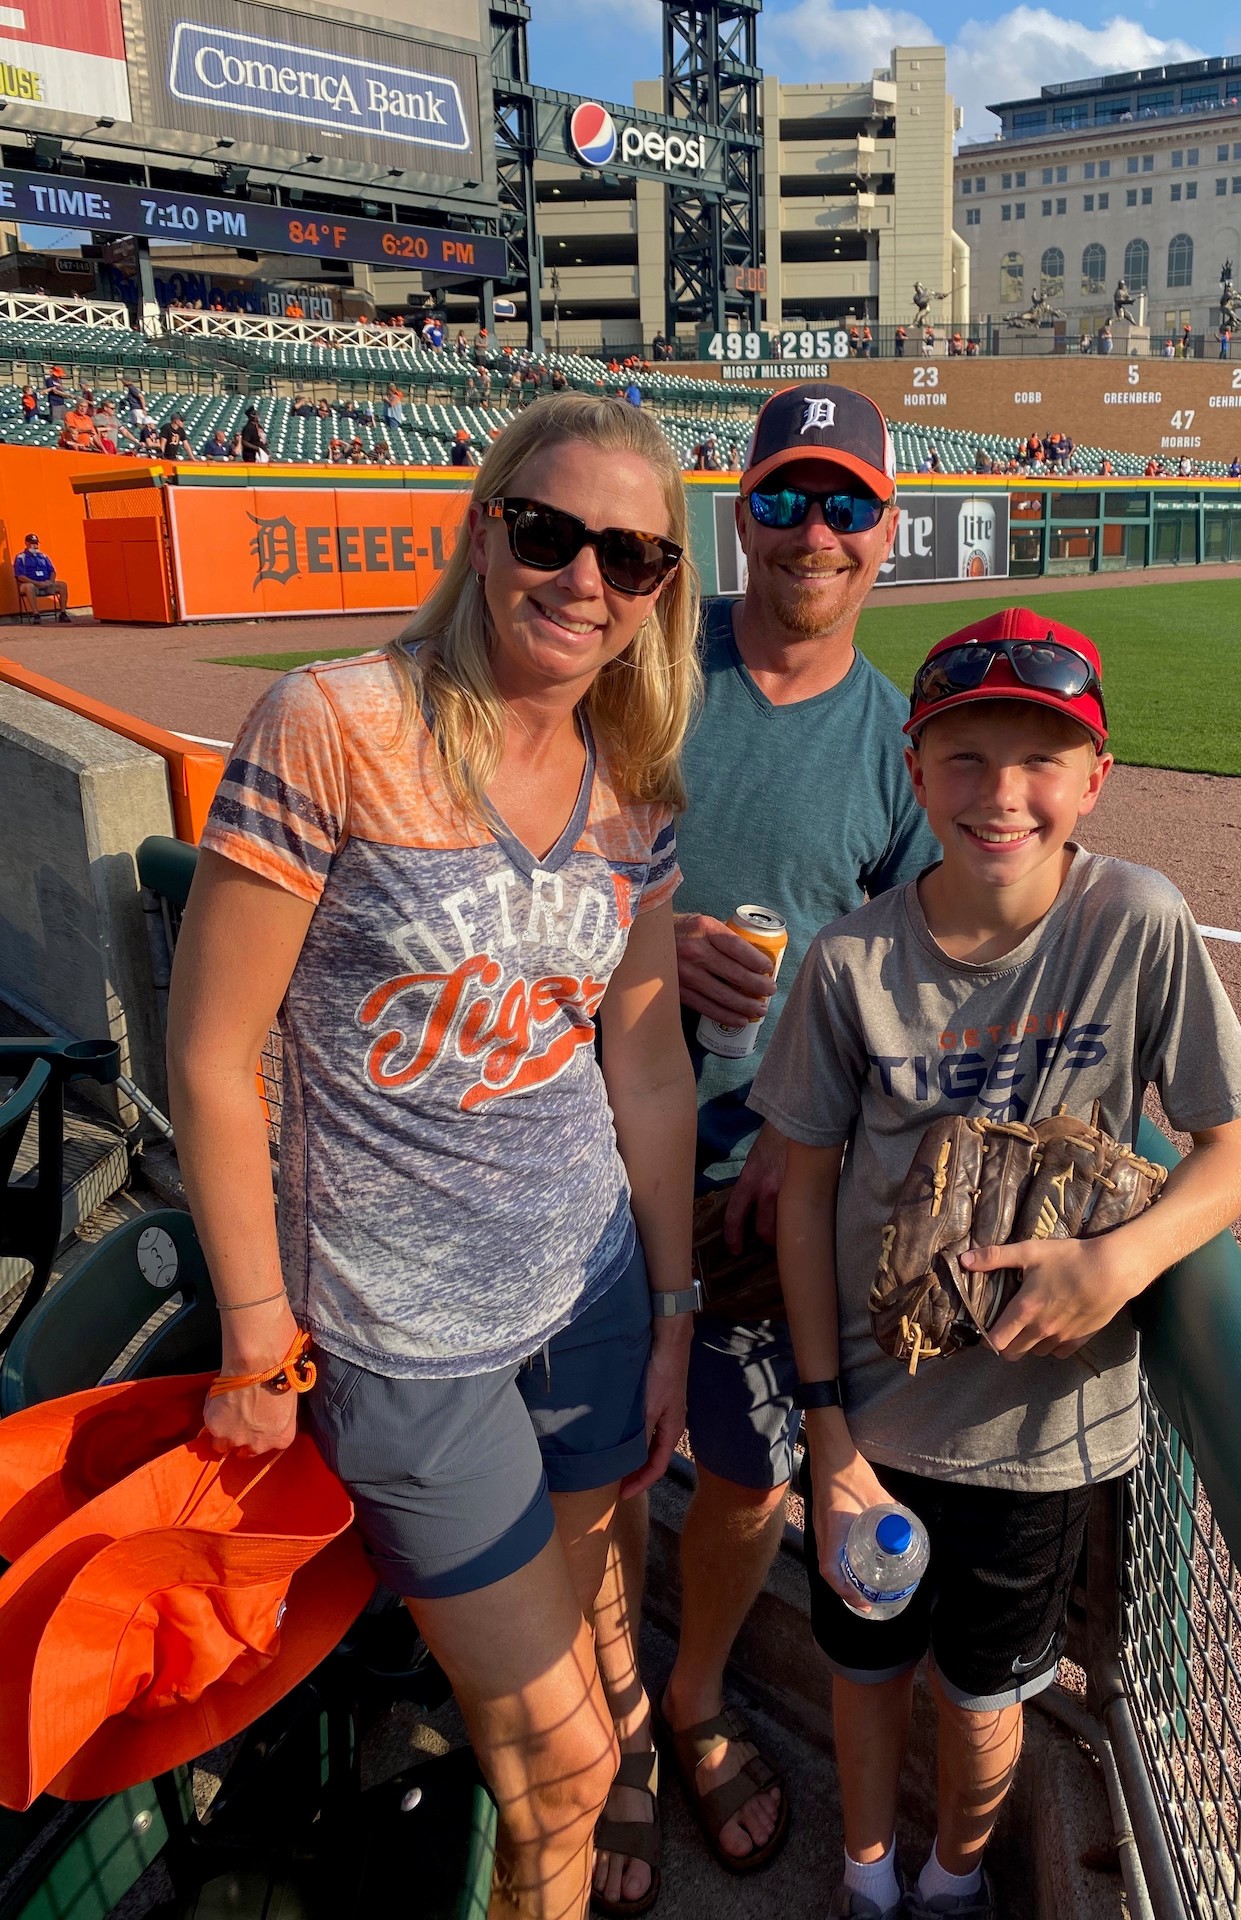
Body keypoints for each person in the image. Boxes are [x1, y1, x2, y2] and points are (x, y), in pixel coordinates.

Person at [166, 393, 702, 1920]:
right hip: (404, 1344)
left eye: (631, 554)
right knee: (564, 1771)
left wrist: (669, 1314)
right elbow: (212, 1056)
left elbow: (646, 1062)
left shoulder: (633, 778)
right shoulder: (337, 723)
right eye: (547, 531)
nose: (581, 577)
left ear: (661, 587)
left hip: (592, 1290)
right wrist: (262, 1334)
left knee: (591, 1630)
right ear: (482, 533)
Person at [754, 607, 1241, 1919]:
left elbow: (1233, 1154)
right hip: (872, 1422)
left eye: (1042, 759)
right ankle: (867, 1881)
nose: (1003, 795)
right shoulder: (852, 960)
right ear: (917, 774)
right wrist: (823, 1424)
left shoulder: (1138, 922)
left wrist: (1120, 1264)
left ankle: (948, 1881)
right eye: (966, 758)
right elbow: (807, 1192)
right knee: (864, 1675)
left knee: (987, 1699)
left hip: (1042, 1435)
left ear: (1095, 780)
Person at [589, 385, 938, 1912]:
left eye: (846, 504)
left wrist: (812, 1139)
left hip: (757, 1179)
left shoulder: (897, 748)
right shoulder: (653, 662)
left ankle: (697, 1694)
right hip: (579, 1134)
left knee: (745, 1481)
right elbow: (519, 844)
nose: (815, 531)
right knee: (595, 1473)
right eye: (788, 498)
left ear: (888, 532)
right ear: (744, 513)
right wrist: (650, 942)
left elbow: (916, 973)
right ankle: (609, 1732)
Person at [14, 532, 70, 622]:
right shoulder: (21, 557)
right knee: (29, 586)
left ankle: (63, 613)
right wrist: (37, 583)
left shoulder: (43, 556)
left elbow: (52, 571)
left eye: (36, 543)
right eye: (32, 543)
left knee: (62, 585)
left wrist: (50, 582)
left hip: (45, 584)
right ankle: (36, 614)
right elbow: (20, 576)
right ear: (27, 544)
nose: (35, 546)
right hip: (31, 584)